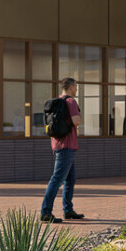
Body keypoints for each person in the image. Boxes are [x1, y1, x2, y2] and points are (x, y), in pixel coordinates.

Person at [41, 77, 85, 223]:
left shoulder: (57, 101)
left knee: (70, 180)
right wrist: (79, 118)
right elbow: (76, 121)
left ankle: (68, 210)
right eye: (76, 86)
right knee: (57, 179)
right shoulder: (70, 101)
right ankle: (46, 212)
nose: (76, 89)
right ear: (71, 86)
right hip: (67, 146)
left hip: (57, 145)